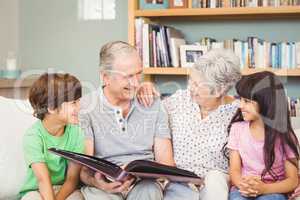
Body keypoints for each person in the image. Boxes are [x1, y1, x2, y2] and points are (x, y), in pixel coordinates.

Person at [137, 49, 242, 200]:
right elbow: (150, 111)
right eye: (190, 80)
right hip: (180, 181)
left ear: (219, 90)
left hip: (217, 184)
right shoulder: (179, 100)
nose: (191, 87)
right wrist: (145, 87)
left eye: (198, 85)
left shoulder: (238, 113)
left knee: (215, 180)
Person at [79, 41, 175, 200]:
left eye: (139, 74)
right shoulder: (85, 108)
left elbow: (166, 163)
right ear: (105, 77)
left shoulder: (153, 103)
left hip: (145, 184)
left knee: (149, 191)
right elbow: (84, 170)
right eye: (128, 76)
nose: (136, 83)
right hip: (104, 186)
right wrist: (98, 183)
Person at [228, 71, 300, 200]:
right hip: (243, 188)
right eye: (240, 100)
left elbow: (292, 180)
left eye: (247, 101)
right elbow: (234, 170)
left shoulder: (284, 136)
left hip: (272, 189)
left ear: (266, 102)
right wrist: (244, 186)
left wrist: (263, 189)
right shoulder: (237, 129)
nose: (241, 106)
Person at [19, 73, 85, 200]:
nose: (79, 106)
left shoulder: (76, 132)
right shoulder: (33, 136)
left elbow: (72, 179)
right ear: (52, 108)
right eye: (73, 102)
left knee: (78, 197)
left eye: (79, 101)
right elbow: (43, 179)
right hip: (37, 189)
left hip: (64, 189)